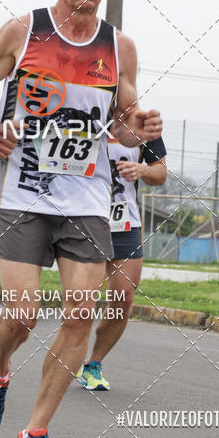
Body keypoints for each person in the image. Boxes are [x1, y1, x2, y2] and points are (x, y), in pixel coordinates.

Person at [0, 0, 163, 438]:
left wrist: (136, 128)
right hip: (23, 192)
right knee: (24, 315)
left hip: (87, 197)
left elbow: (121, 120)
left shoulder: (120, 48)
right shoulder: (23, 31)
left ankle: (34, 432)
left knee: (80, 314)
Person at [77, 134, 167, 391]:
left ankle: (93, 364)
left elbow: (160, 173)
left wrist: (142, 169)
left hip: (124, 221)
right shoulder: (81, 112)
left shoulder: (142, 126)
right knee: (82, 303)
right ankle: (69, 351)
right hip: (83, 217)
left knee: (124, 297)